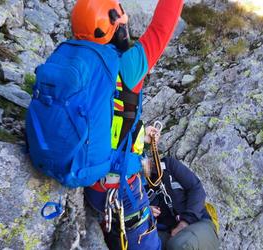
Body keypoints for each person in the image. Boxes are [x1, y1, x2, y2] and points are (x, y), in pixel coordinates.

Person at [71, 0, 184, 249]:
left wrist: (141, 137)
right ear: (115, 25)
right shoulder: (127, 66)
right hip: (120, 187)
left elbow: (106, 121)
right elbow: (161, 28)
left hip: (88, 181)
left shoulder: (74, 64)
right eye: (122, 18)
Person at [144, 126, 220, 250]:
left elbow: (196, 188)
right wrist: (144, 211)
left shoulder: (168, 165)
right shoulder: (138, 185)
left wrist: (184, 223)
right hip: (168, 232)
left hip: (197, 223)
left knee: (180, 245)